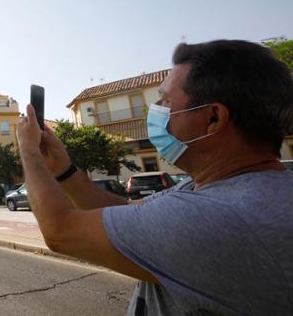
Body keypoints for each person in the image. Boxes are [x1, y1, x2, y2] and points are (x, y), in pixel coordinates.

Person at [17, 40, 293, 315]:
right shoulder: (213, 189)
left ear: (213, 118)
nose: (156, 109)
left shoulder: (219, 216)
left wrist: (29, 153)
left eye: (166, 100)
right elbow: (125, 211)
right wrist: (64, 171)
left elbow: (60, 231)